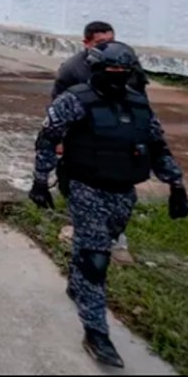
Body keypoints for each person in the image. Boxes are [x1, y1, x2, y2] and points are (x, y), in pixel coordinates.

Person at [29, 40, 188, 368]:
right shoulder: (74, 101)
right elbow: (48, 138)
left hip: (123, 193)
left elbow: (157, 144)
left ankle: (77, 283)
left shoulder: (138, 105)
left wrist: (176, 185)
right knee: (96, 259)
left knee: (97, 245)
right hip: (85, 188)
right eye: (110, 71)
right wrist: (39, 180)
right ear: (97, 70)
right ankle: (96, 333)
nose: (116, 77)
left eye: (123, 72)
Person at [52, 21, 148, 261]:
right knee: (82, 185)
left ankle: (115, 237)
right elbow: (56, 106)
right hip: (84, 138)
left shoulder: (129, 65)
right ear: (86, 44)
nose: (109, 49)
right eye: (101, 43)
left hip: (119, 137)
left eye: (112, 42)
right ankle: (81, 232)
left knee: (120, 184)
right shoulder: (72, 69)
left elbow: (141, 104)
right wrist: (60, 138)